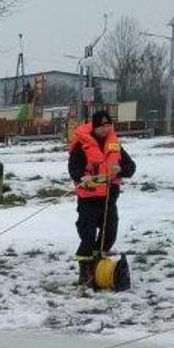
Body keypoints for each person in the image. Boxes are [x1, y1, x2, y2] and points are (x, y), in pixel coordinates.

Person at [68, 110, 137, 285]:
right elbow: (74, 167)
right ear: (95, 126)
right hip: (89, 199)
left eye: (109, 125)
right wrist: (82, 176)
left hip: (108, 199)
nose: (106, 129)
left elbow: (130, 167)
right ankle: (85, 271)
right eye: (102, 126)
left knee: (109, 235)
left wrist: (120, 170)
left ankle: (97, 265)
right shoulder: (82, 145)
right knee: (88, 237)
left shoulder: (115, 144)